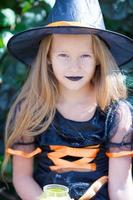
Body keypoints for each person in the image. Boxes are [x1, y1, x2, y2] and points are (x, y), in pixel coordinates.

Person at [2, 0, 133, 200]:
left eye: (85, 56)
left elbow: (121, 188)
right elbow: (22, 178)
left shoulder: (116, 114)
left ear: (98, 57)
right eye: (63, 55)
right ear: (48, 57)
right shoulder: (31, 110)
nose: (74, 67)